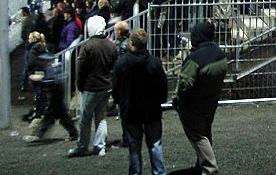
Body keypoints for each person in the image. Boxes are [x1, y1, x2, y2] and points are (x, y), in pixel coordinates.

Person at [172, 23, 227, 175]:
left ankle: (210, 168)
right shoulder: (220, 53)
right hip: (211, 100)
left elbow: (185, 84)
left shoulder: (195, 58)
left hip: (193, 104)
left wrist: (177, 101)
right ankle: (200, 163)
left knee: (197, 135)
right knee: (205, 131)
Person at [112, 28, 168, 175]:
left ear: (131, 43)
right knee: (155, 145)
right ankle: (159, 172)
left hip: (130, 110)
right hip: (151, 109)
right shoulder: (155, 63)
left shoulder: (121, 63)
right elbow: (163, 87)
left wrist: (120, 102)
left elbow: (116, 88)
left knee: (134, 148)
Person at [68, 15, 118, 158]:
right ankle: (100, 146)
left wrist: (79, 85)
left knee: (85, 118)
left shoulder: (87, 46)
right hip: (106, 86)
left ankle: (82, 146)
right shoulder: (111, 45)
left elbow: (81, 69)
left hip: (91, 87)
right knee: (101, 117)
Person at [22, 52, 79, 143]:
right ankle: (74, 134)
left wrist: (40, 80)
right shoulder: (55, 65)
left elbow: (51, 81)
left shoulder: (50, 68)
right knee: (62, 116)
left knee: (51, 114)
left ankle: (39, 134)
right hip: (57, 91)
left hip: (56, 92)